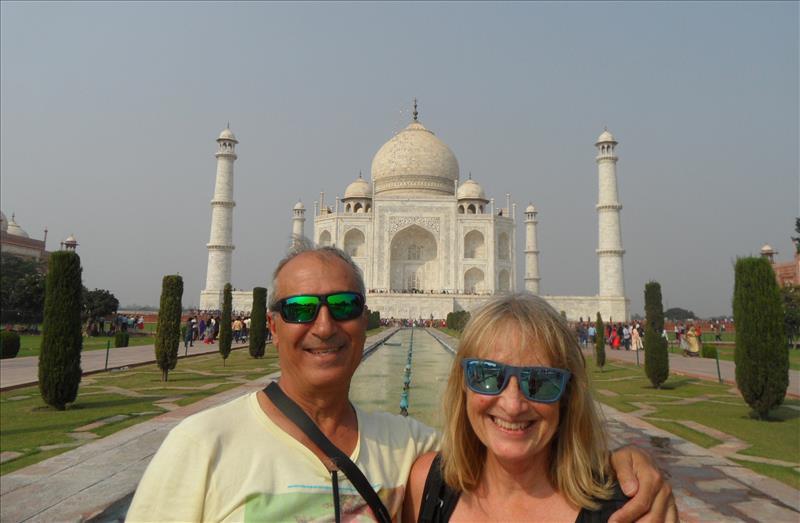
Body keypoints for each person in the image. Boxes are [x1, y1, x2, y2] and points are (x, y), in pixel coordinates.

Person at [127, 242, 674, 522]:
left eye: (343, 306)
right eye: (299, 310)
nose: (323, 326)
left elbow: (509, 448)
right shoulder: (203, 445)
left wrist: (623, 462)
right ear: (272, 324)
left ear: (365, 319)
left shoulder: (414, 454)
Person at [404, 294, 677, 523]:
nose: (513, 405)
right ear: (462, 384)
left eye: (540, 381)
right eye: (487, 376)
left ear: (568, 393)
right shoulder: (427, 486)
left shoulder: (625, 511)